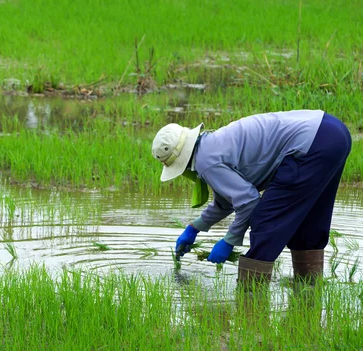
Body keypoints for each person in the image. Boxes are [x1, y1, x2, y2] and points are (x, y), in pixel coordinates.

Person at [151, 110, 352, 285]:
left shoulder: (205, 163)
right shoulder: (210, 144)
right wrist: (194, 228)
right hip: (332, 132)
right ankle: (308, 290)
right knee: (309, 220)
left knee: (265, 220)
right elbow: (227, 200)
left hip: (310, 145)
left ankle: (250, 299)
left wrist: (229, 241)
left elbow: (248, 201)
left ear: (181, 163)